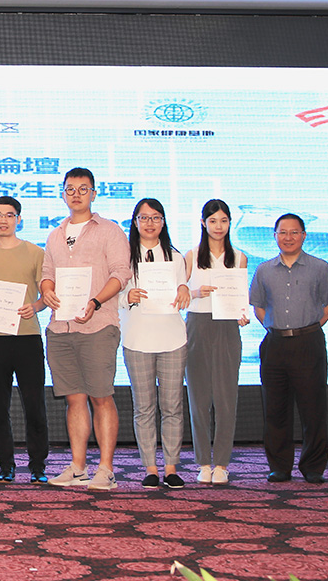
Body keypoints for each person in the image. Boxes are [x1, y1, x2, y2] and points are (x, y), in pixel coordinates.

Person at [40, 167, 132, 491]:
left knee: (101, 397)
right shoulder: (54, 234)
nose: (76, 194)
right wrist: (47, 289)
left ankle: (106, 468)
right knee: (74, 399)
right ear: (62, 194)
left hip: (98, 325)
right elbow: (47, 272)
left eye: (83, 188)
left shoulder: (110, 231)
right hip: (61, 328)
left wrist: (94, 301)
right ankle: (78, 467)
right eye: (70, 189)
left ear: (94, 193)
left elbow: (121, 273)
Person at [249, 213, 328, 484]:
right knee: (275, 409)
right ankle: (280, 466)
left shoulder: (320, 267)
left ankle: (313, 466)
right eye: (282, 232)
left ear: (304, 235)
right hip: (274, 343)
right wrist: (280, 329)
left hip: (309, 343)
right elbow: (259, 308)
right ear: (274, 236)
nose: (288, 237)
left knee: (313, 408)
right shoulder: (264, 269)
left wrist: (304, 329)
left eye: (294, 232)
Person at [0, 196, 49, 484]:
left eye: (9, 215)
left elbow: (46, 293)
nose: (3, 220)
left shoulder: (36, 252)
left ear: (19, 219)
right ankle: (5, 466)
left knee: (34, 405)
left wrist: (38, 306)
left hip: (28, 336)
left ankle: (38, 466)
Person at [120, 198, 191, 490]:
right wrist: (127, 296)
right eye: (144, 218)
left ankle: (171, 467)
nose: (150, 223)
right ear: (134, 222)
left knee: (172, 405)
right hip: (137, 339)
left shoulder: (176, 257)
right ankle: (150, 467)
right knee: (144, 407)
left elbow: (184, 289)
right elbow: (111, 295)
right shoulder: (122, 258)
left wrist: (186, 288)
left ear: (163, 222)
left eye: (156, 217)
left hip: (172, 338)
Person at [183, 199, 249, 485]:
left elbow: (241, 299)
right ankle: (203, 462)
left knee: (226, 398)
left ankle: (222, 462)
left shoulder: (240, 257)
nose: (218, 226)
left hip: (227, 328)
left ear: (230, 223)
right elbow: (180, 294)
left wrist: (243, 315)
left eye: (223, 220)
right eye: (213, 221)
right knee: (198, 398)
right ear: (203, 223)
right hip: (197, 324)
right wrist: (196, 292)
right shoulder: (191, 255)